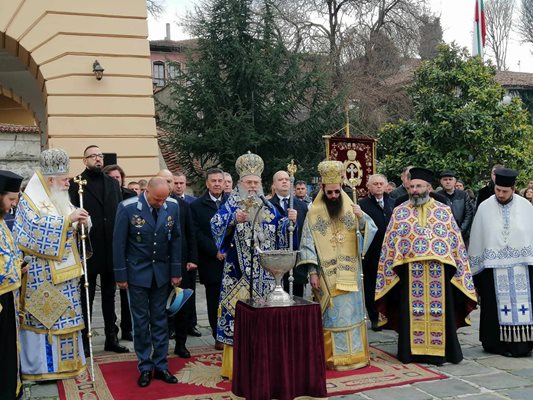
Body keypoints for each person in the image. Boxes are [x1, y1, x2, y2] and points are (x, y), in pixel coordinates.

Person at [375, 167, 477, 365]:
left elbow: (454, 242)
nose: (414, 190)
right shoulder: (400, 211)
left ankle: (443, 352)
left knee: (441, 313)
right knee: (410, 313)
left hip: (439, 272)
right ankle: (410, 352)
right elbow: (390, 244)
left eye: (419, 186)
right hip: (408, 273)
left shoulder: (443, 211)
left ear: (428, 188)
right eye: (411, 186)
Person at [211, 152, 294, 379]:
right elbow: (215, 225)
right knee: (237, 317)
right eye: (248, 182)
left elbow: (280, 232)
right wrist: (231, 221)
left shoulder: (267, 205)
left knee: (264, 318)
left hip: (264, 275)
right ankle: (235, 367)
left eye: (256, 182)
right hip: (237, 273)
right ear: (240, 183)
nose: (252, 186)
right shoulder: (231, 204)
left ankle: (264, 363)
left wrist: (289, 222)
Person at [14, 148, 89, 380]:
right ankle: (41, 370)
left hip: (66, 277)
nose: (69, 183)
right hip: (40, 277)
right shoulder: (29, 201)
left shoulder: (60, 198)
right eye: (65, 179)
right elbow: (32, 233)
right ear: (50, 180)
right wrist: (68, 221)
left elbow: (70, 221)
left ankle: (67, 366)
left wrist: (82, 223)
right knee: (44, 320)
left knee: (66, 318)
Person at [297, 161, 377, 370]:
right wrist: (312, 272)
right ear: (322, 188)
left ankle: (356, 356)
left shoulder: (352, 207)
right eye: (329, 192)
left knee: (353, 314)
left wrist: (361, 219)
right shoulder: (313, 212)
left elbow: (368, 231)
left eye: (336, 191)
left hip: (351, 272)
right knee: (332, 317)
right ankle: (332, 358)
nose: (333, 196)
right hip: (326, 274)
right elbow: (307, 243)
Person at [113, 177, 182, 387]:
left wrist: (175, 270)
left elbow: (177, 238)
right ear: (146, 192)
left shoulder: (172, 206)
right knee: (141, 322)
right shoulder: (127, 208)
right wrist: (121, 275)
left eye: (164, 198)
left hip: (161, 272)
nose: (160, 203)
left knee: (160, 320)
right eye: (157, 199)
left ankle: (161, 365)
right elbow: (118, 243)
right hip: (137, 273)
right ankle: (145, 365)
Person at [69, 145, 128, 355]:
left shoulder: (113, 183)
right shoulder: (76, 184)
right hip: (89, 247)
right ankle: (85, 341)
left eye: (100, 156)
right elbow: (72, 211)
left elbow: (120, 213)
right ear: (84, 160)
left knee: (110, 296)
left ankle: (111, 338)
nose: (97, 159)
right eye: (93, 156)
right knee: (87, 295)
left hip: (111, 247)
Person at [469, 168, 533, 357]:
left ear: (513, 188)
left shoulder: (526, 207)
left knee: (525, 306)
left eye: (505, 191)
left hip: (522, 266)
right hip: (492, 269)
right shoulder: (485, 207)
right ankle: (495, 343)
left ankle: (523, 344)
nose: (501, 194)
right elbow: (478, 237)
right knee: (494, 307)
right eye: (498, 190)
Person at [157, 169, 199, 355]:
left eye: (170, 181)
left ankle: (181, 344)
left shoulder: (182, 205)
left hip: (181, 263)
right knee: (159, 306)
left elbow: (191, 233)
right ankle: (161, 344)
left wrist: (192, 259)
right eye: (165, 180)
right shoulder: (153, 204)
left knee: (182, 304)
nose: (169, 184)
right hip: (158, 265)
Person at [190, 168, 228, 351]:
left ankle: (232, 331)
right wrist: (215, 251)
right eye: (213, 181)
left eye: (220, 180)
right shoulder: (197, 206)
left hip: (231, 261)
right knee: (214, 300)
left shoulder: (232, 202)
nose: (217, 184)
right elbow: (196, 233)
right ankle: (217, 334)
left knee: (231, 299)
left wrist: (228, 249)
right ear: (207, 183)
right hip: (211, 261)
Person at [103, 164, 136, 341]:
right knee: (109, 293)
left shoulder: (130, 196)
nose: (116, 180)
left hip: (128, 250)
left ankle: (128, 328)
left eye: (118, 177)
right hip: (109, 249)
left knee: (127, 292)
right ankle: (111, 329)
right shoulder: (105, 196)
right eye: (112, 177)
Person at [359, 173, 394, 331]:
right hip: (371, 253)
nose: (379, 186)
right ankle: (374, 317)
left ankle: (390, 316)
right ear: (369, 187)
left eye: (381, 183)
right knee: (371, 286)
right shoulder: (361, 205)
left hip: (391, 253)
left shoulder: (394, 204)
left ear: (387, 186)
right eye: (375, 184)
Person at [0, 170, 24, 399]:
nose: (12, 205)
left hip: (9, 296)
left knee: (9, 350)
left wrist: (19, 266)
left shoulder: (1, 221)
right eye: (10, 199)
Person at [270, 171, 309, 297]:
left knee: (296, 300)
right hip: (274, 262)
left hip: (296, 263)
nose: (285, 181)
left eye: (287, 179)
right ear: (274, 185)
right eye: (280, 179)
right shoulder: (268, 206)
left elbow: (306, 232)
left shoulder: (302, 206)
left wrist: (295, 222)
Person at [436, 170, 474, 243]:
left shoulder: (463, 195)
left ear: (455, 181)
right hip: (444, 235)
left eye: (450, 179)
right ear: (441, 181)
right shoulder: (437, 196)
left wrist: (460, 231)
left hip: (462, 235)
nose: (448, 182)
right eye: (445, 179)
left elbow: (468, 214)